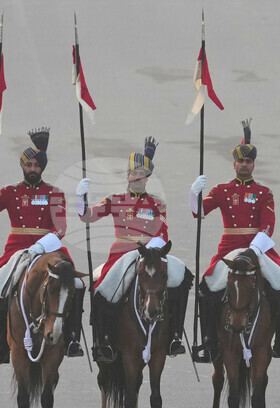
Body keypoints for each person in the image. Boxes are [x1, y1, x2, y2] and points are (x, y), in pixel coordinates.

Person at [190, 120, 280, 362]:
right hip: (228, 250)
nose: (245, 165)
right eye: (241, 161)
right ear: (234, 164)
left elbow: (268, 224)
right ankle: (207, 343)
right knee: (207, 290)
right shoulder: (221, 191)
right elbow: (199, 211)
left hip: (257, 250)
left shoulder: (263, 193)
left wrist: (254, 250)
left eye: (249, 162)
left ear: (253, 165)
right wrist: (193, 194)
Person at [75, 138, 192, 362]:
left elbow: (163, 232)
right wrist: (81, 198)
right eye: (133, 174)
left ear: (147, 178)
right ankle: (104, 340)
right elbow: (88, 216)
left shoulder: (158, 204)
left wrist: (151, 250)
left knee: (181, 279)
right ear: (127, 176)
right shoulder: (115, 200)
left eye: (142, 175)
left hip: (150, 254)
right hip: (121, 254)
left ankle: (175, 336)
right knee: (102, 289)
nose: (137, 179)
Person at [0, 128, 84, 363]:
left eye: (36, 165)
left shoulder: (54, 194)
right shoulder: (10, 192)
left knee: (76, 282)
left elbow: (61, 229)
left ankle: (72, 337)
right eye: (28, 165)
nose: (32, 169)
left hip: (48, 248)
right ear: (22, 166)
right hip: (16, 249)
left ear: (42, 168)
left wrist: (41, 245)